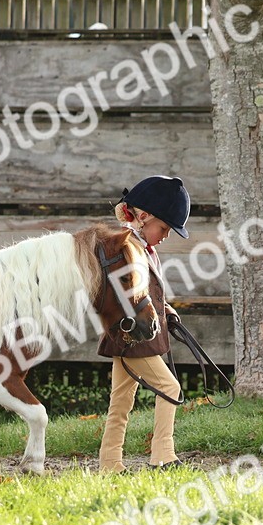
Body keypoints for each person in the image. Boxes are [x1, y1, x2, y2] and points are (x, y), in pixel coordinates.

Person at [97, 175, 191, 473]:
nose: (165, 236)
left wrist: (165, 309)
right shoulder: (126, 246)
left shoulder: (142, 246)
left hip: (136, 334)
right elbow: (123, 293)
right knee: (169, 387)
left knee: (121, 400)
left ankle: (110, 463)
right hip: (133, 335)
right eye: (163, 228)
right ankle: (163, 455)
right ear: (144, 216)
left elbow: (144, 291)